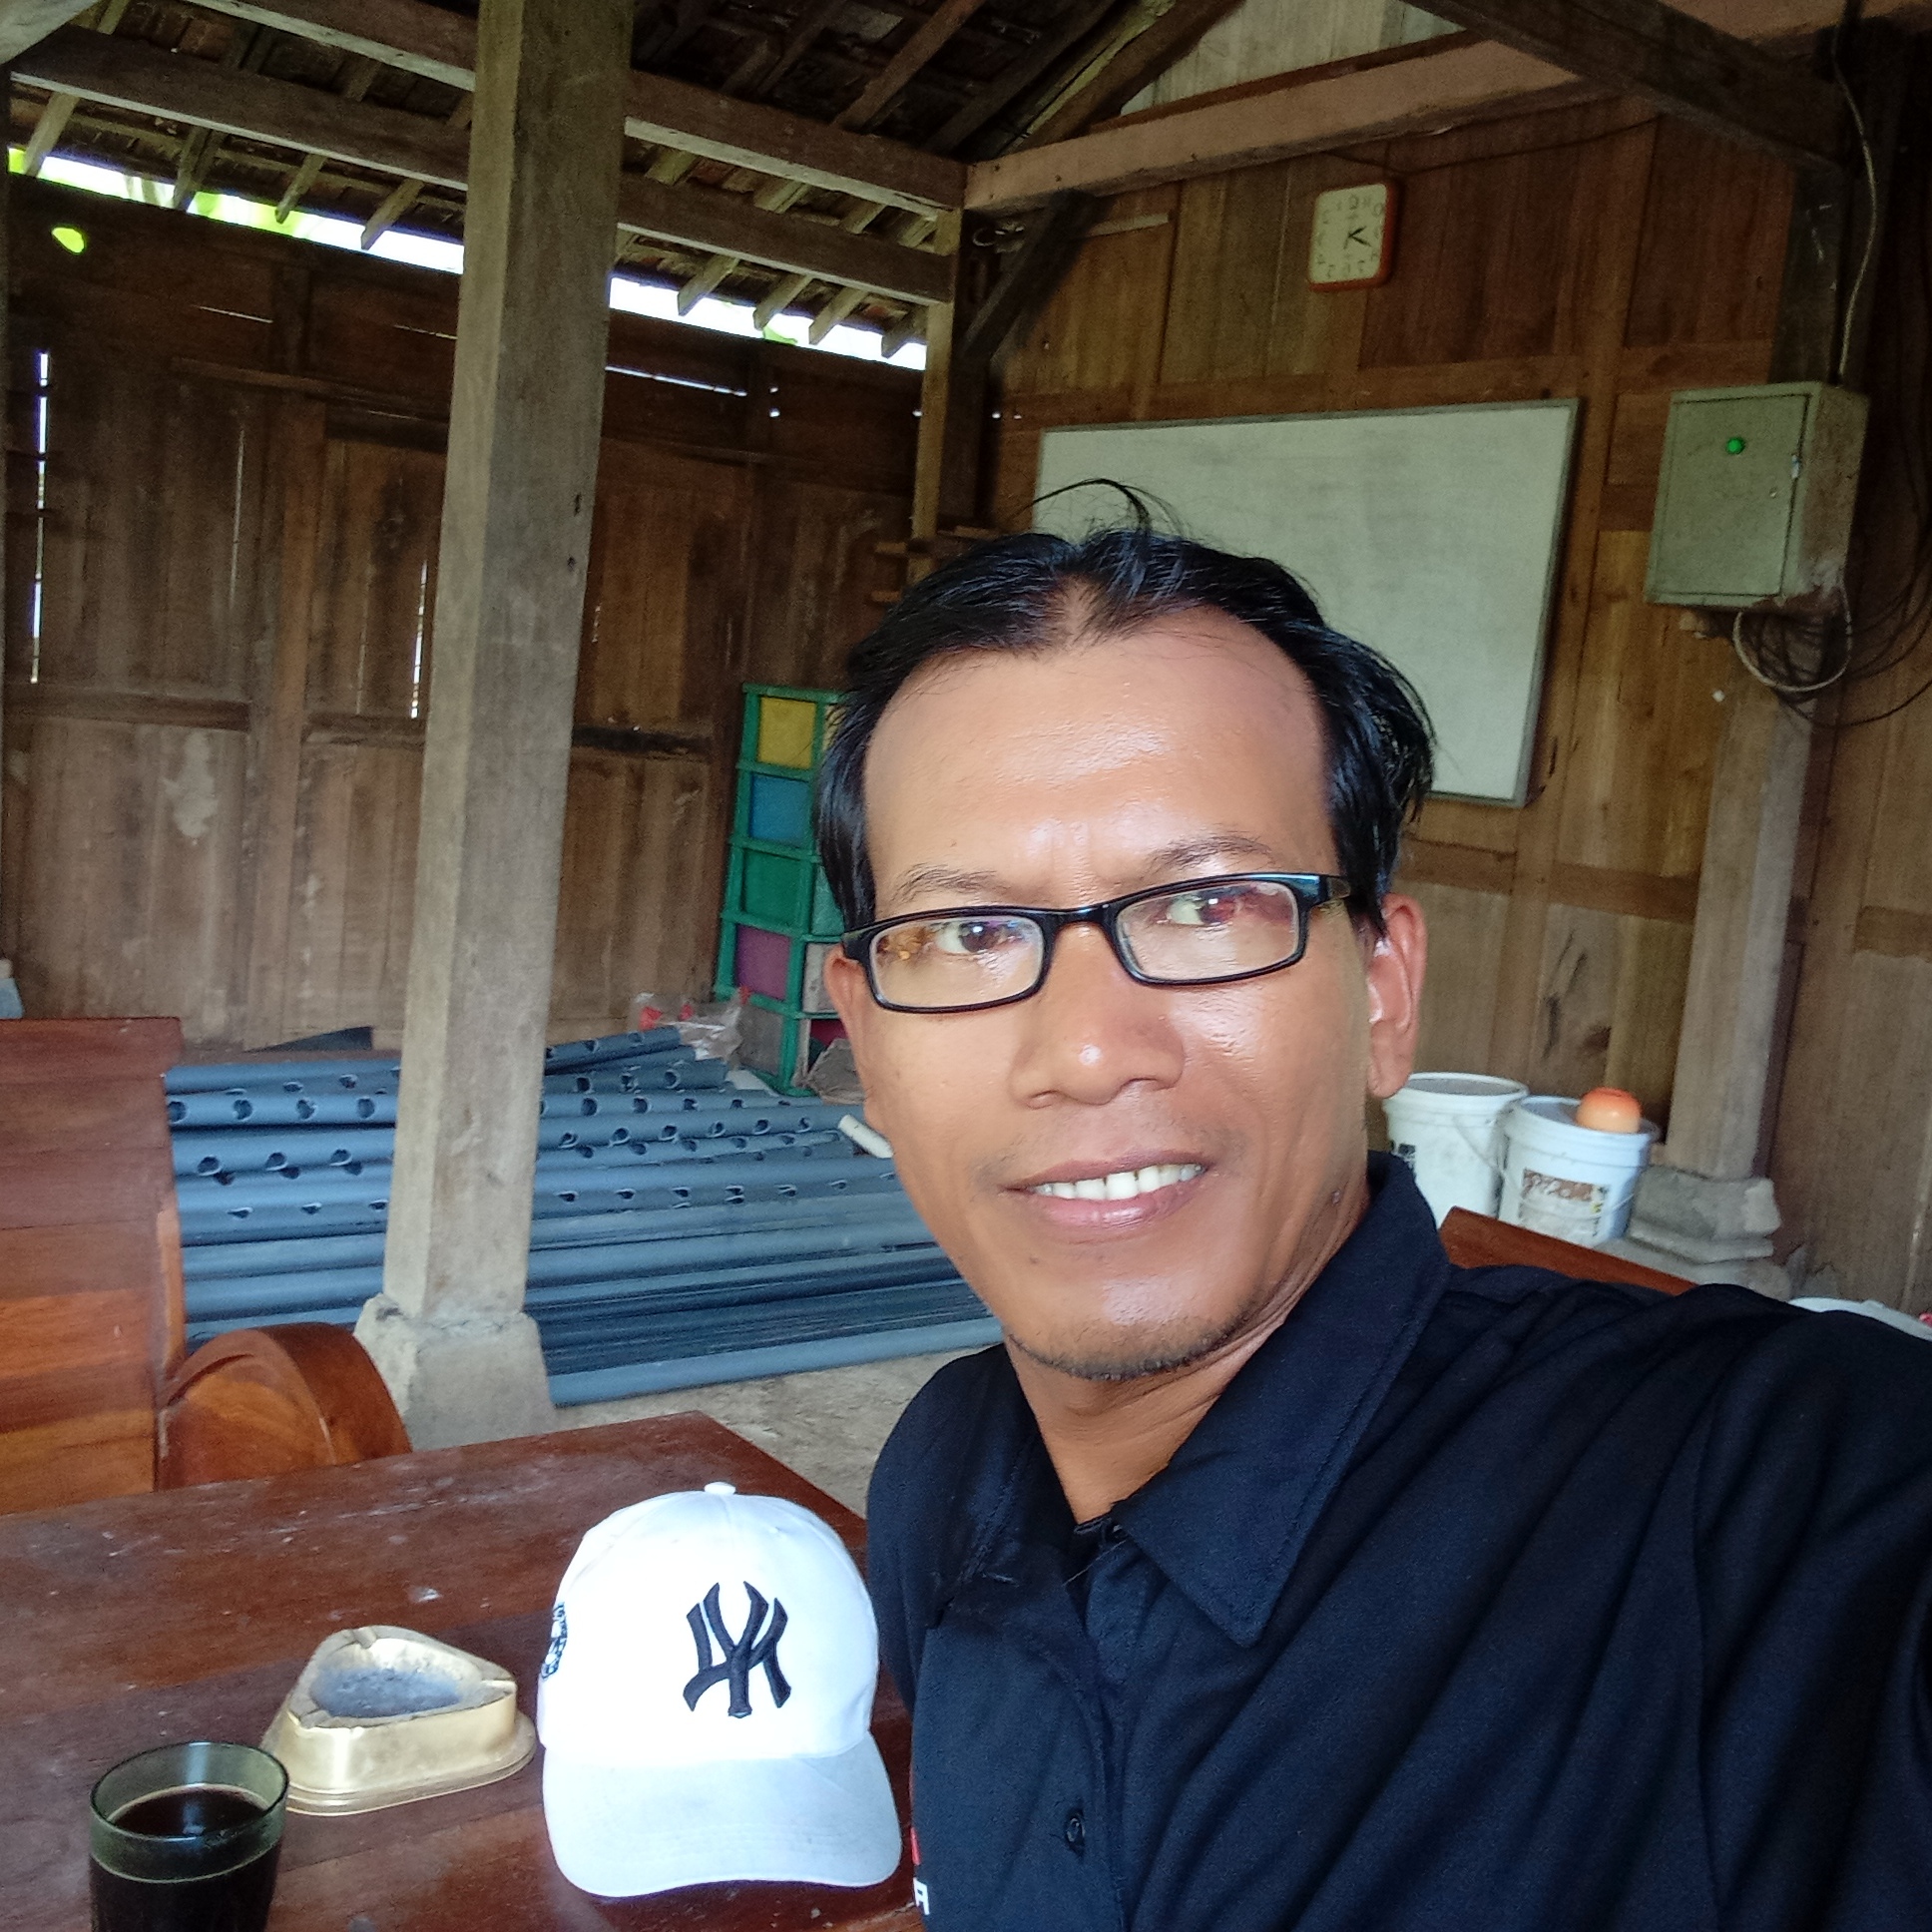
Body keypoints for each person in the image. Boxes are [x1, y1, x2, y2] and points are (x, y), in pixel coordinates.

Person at [818, 518, 1932, 1932]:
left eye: (1208, 905)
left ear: (1385, 994)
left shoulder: (1763, 1504)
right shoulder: (949, 1477)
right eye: (968, 934)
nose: (1087, 1052)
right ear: (867, 1038)